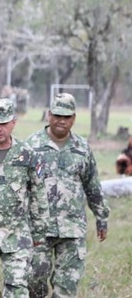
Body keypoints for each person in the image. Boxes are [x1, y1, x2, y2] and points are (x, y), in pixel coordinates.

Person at [27, 93, 110, 298]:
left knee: (66, 287)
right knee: (33, 282)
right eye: (57, 115)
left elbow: (92, 185)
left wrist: (102, 217)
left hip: (72, 229)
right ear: (49, 115)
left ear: (73, 118)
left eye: (66, 116)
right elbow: (19, 185)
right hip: (39, 229)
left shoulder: (82, 148)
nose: (61, 120)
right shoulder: (31, 146)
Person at [0, 98, 49, 298]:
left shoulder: (27, 154)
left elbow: (39, 194)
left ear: (13, 123)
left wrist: (39, 233)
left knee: (18, 289)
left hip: (16, 236)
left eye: (3, 123)